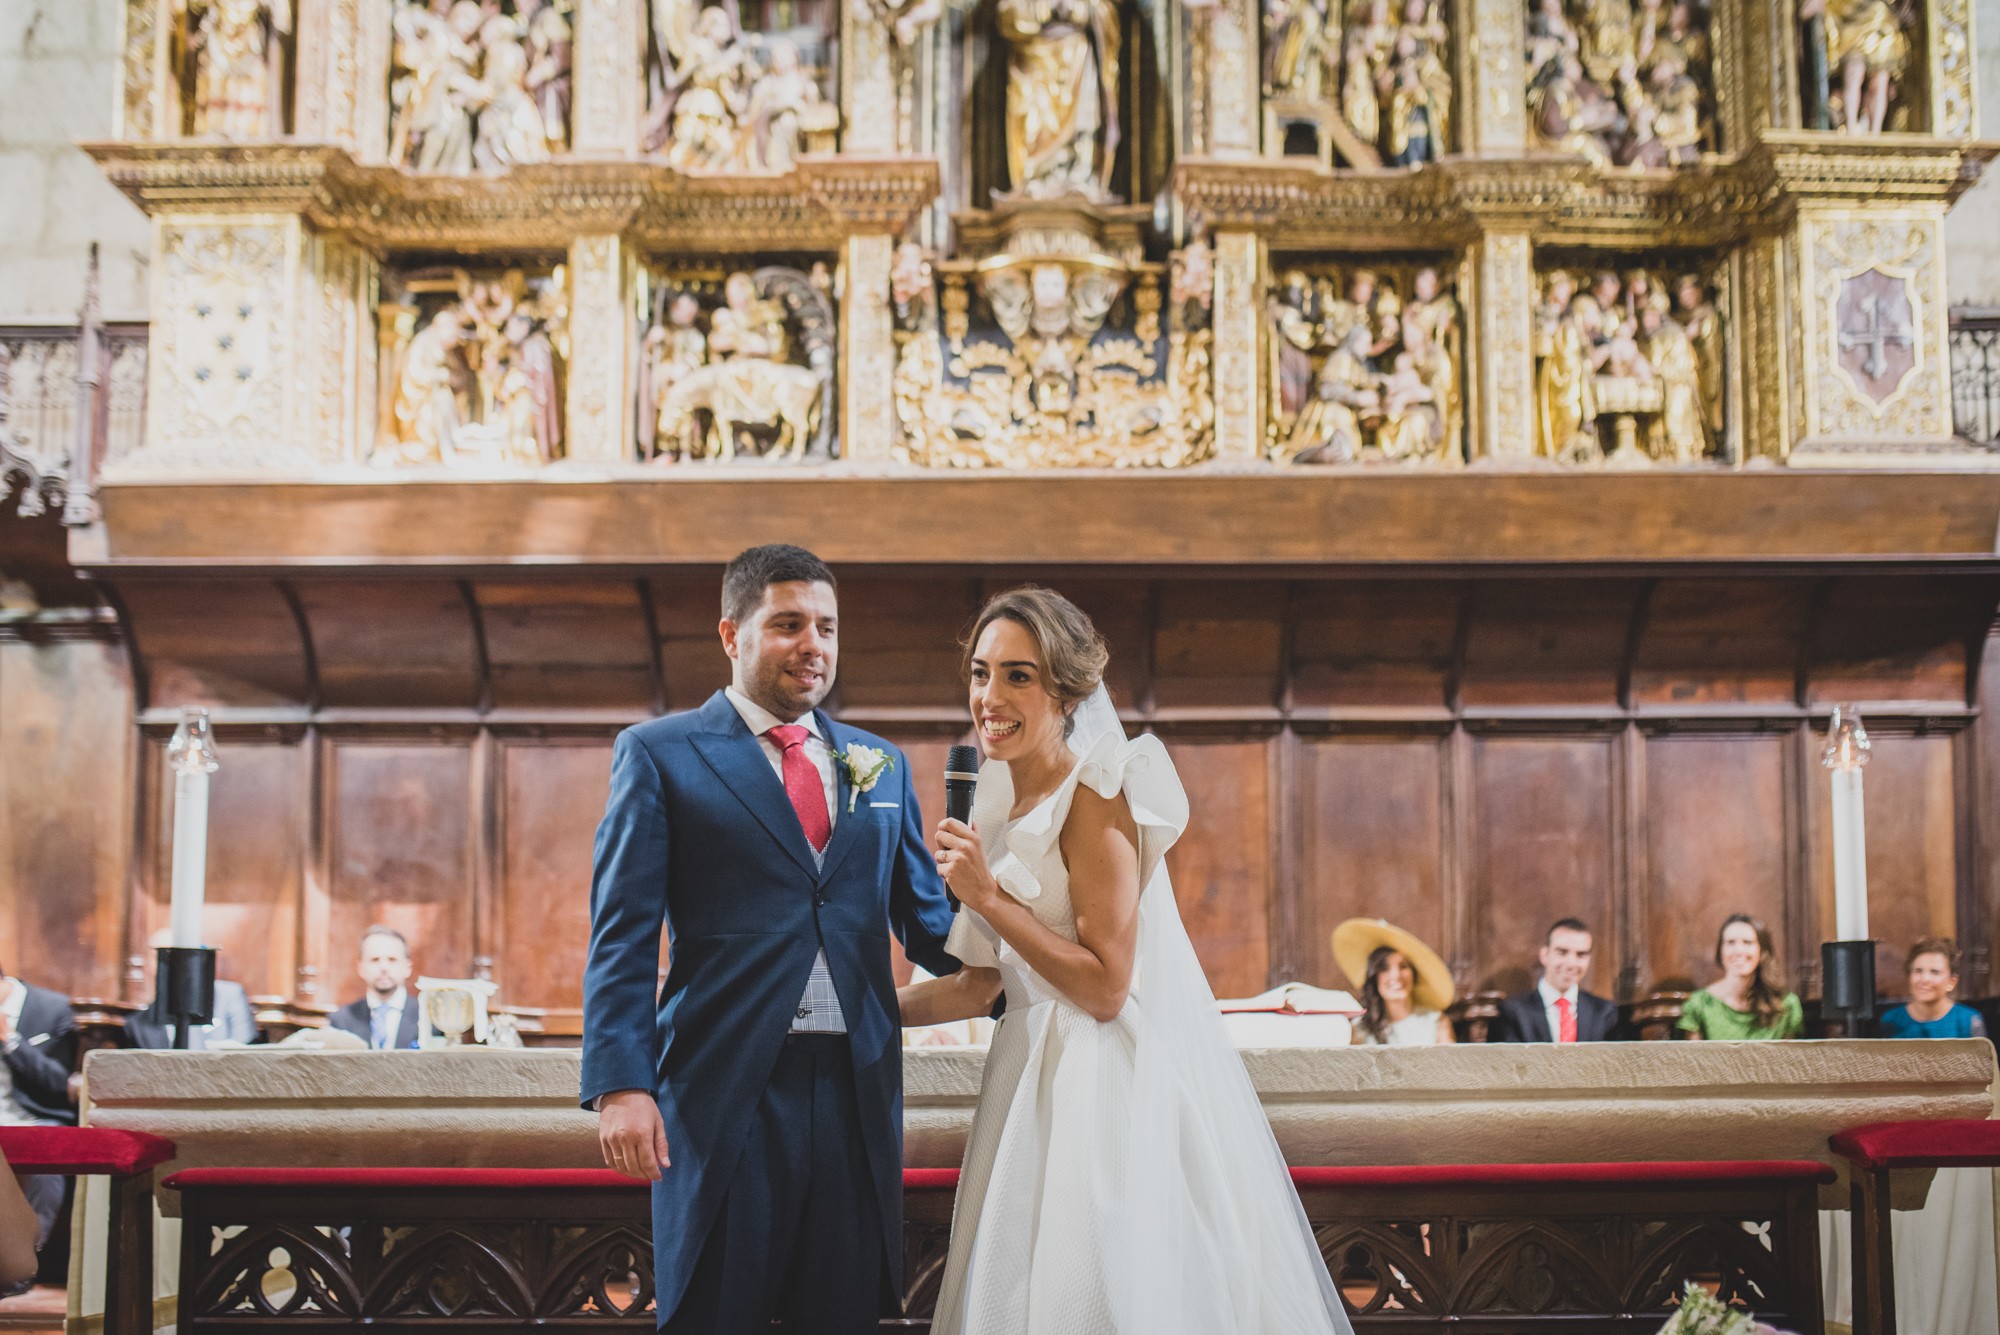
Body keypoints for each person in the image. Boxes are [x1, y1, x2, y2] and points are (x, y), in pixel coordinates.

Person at [901, 586, 1353, 1334]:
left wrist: (987, 896)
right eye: (981, 673)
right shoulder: (993, 797)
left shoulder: (1097, 792)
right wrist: (857, 1010)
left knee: (1093, 1293)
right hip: (1024, 1073)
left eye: (1018, 676)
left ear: (1066, 693)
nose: (990, 697)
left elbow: (1107, 987)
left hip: (1096, 1079)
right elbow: (981, 985)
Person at [582, 544, 961, 1335]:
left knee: (842, 1313)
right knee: (717, 1311)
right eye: (788, 624)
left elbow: (933, 930)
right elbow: (622, 935)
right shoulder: (660, 753)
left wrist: (1031, 927)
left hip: (856, 1088)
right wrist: (622, 1084)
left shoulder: (880, 764)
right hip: (724, 1087)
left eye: (826, 626)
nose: (813, 644)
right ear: (732, 633)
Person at [0, 959, 76, 1265]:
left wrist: (10, 1040)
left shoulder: (54, 1009)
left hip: (34, 1115)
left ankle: (24, 1263)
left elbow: (60, 1084)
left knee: (47, 1156)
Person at [1490, 918, 1621, 1043]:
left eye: (1581, 955)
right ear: (1545, 954)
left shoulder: (1604, 1012)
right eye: (1562, 952)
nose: (1571, 964)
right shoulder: (1512, 1012)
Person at [1678, 913, 1803, 1040]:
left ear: (1762, 951)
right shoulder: (1700, 1004)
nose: (1738, 951)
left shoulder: (1787, 1005)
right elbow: (1693, 1053)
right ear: (1721, 951)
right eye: (1730, 942)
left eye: (1747, 942)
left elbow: (1790, 1052)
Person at [125, 930, 258, 1049]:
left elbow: (245, 1052)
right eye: (164, 957)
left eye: (184, 957)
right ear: (148, 965)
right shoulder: (138, 1024)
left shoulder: (229, 997)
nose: (176, 965)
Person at [1333, 918, 1455, 1046]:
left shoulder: (1436, 1022)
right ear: (1374, 978)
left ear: (1414, 974)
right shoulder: (1359, 1029)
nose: (1396, 976)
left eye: (1403, 966)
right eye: (1384, 968)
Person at [328, 927, 423, 1051]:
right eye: (375, 960)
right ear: (361, 968)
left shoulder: (428, 1018)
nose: (383, 967)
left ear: (407, 968)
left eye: (392, 960)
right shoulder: (342, 1020)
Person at [1878, 938, 1988, 1040]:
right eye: (1918, 971)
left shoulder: (1969, 1020)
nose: (1924, 979)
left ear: (1952, 982)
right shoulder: (1891, 1020)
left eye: (1935, 972)